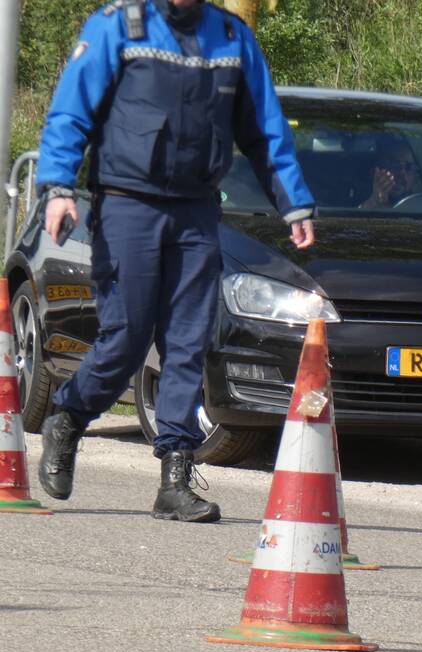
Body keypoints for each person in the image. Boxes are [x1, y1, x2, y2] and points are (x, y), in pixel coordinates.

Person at [34, 0, 316, 522]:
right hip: (126, 203)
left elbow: (265, 129)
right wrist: (57, 186)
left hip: (196, 211)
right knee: (127, 334)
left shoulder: (231, 38)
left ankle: (175, 475)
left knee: (188, 341)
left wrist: (293, 202)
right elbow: (71, 111)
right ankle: (69, 417)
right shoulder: (118, 25)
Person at [359, 139, 419, 209]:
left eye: (409, 167)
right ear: (374, 170)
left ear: (416, 177)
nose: (401, 173)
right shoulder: (351, 198)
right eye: (394, 164)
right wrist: (373, 202)